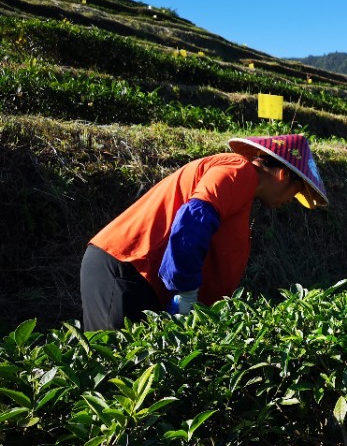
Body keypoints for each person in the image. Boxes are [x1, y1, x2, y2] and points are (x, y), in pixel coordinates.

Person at [80, 134, 328, 331]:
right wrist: (186, 291)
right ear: (283, 175)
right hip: (129, 268)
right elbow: (193, 218)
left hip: (140, 279)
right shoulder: (239, 171)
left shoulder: (244, 189)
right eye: (297, 191)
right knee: (116, 368)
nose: (292, 200)